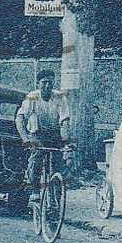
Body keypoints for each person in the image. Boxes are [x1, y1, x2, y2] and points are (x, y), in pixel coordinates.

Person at [17, 70, 71, 204]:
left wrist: (66, 142)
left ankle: (55, 199)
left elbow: (64, 121)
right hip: (37, 134)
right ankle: (34, 189)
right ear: (38, 83)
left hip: (54, 134)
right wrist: (26, 139)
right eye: (44, 82)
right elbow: (20, 119)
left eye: (50, 82)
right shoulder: (32, 97)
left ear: (54, 82)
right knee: (37, 155)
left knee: (59, 165)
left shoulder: (60, 97)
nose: (47, 86)